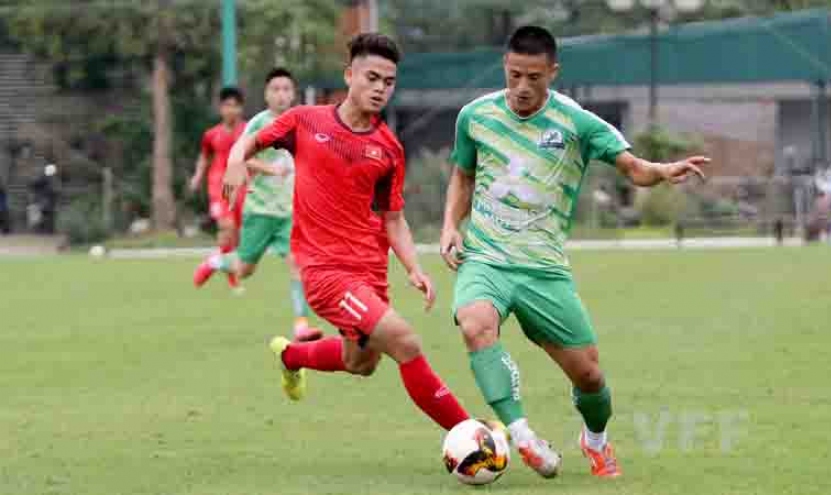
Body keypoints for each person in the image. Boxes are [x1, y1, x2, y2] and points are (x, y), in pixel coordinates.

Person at [440, 26, 709, 479]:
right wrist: (450, 225)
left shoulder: (576, 122)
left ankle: (595, 440)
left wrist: (662, 170)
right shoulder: (475, 116)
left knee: (590, 378)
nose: (522, 88)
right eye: (514, 75)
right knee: (475, 324)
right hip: (487, 258)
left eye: (534, 77)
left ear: (553, 72)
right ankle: (522, 436)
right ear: (505, 67)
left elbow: (631, 166)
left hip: (544, 270)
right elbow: (463, 175)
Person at [224, 33, 470, 431]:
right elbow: (249, 142)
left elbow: (394, 219)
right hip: (325, 273)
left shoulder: (388, 149)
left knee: (362, 363)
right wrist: (236, 160)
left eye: (388, 83)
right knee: (405, 342)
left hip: (369, 271)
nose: (379, 89)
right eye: (371, 78)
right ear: (350, 75)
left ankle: (291, 357)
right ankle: (471, 434)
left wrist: (413, 267)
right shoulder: (305, 120)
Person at [193, 68, 317, 339]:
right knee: (245, 268)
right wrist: (269, 169)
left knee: (298, 265)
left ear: (293, 93)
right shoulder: (259, 124)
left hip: (290, 213)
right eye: (276, 89)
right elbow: (239, 157)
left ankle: (301, 325)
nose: (281, 94)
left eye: (286, 89)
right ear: (266, 94)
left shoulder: (302, 122)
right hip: (259, 210)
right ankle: (216, 261)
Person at [189, 87, 247, 291]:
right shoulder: (212, 134)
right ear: (221, 108)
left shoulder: (248, 131)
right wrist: (197, 176)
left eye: (234, 105)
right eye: (226, 105)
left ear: (240, 109)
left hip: (240, 185)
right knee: (227, 227)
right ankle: (219, 270)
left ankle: (219, 266)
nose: (230, 110)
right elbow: (204, 157)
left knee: (237, 238)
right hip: (218, 186)